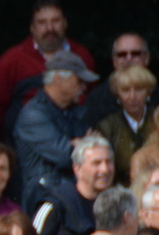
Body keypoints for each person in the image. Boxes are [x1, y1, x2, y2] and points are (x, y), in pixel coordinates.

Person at [0, 0, 97, 131]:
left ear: (65, 23)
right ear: (32, 27)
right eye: (42, 22)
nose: (49, 28)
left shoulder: (81, 55)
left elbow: (92, 99)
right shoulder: (12, 60)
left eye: (55, 21)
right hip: (29, 140)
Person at [13, 51, 98, 204]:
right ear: (58, 79)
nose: (84, 87)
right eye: (79, 80)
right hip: (44, 198)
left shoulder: (74, 110)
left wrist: (81, 143)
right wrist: (83, 143)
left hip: (74, 194)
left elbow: (95, 147)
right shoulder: (33, 114)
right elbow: (66, 155)